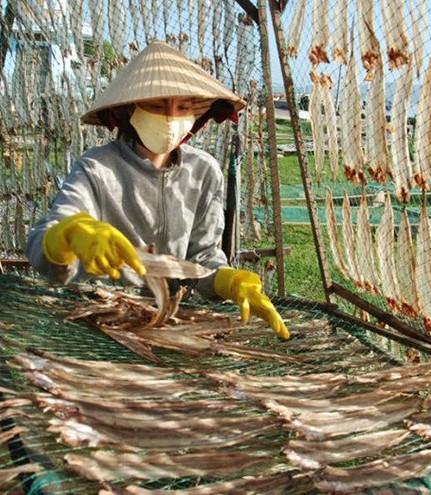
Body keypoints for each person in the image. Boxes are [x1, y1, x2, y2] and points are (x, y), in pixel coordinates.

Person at [26, 41, 289, 339]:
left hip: (173, 319)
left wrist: (229, 280)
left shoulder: (204, 171)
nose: (169, 117)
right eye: (156, 105)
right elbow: (41, 247)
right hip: (99, 317)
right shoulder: (96, 168)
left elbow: (202, 258)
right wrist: (67, 237)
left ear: (196, 115)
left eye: (182, 107)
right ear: (130, 111)